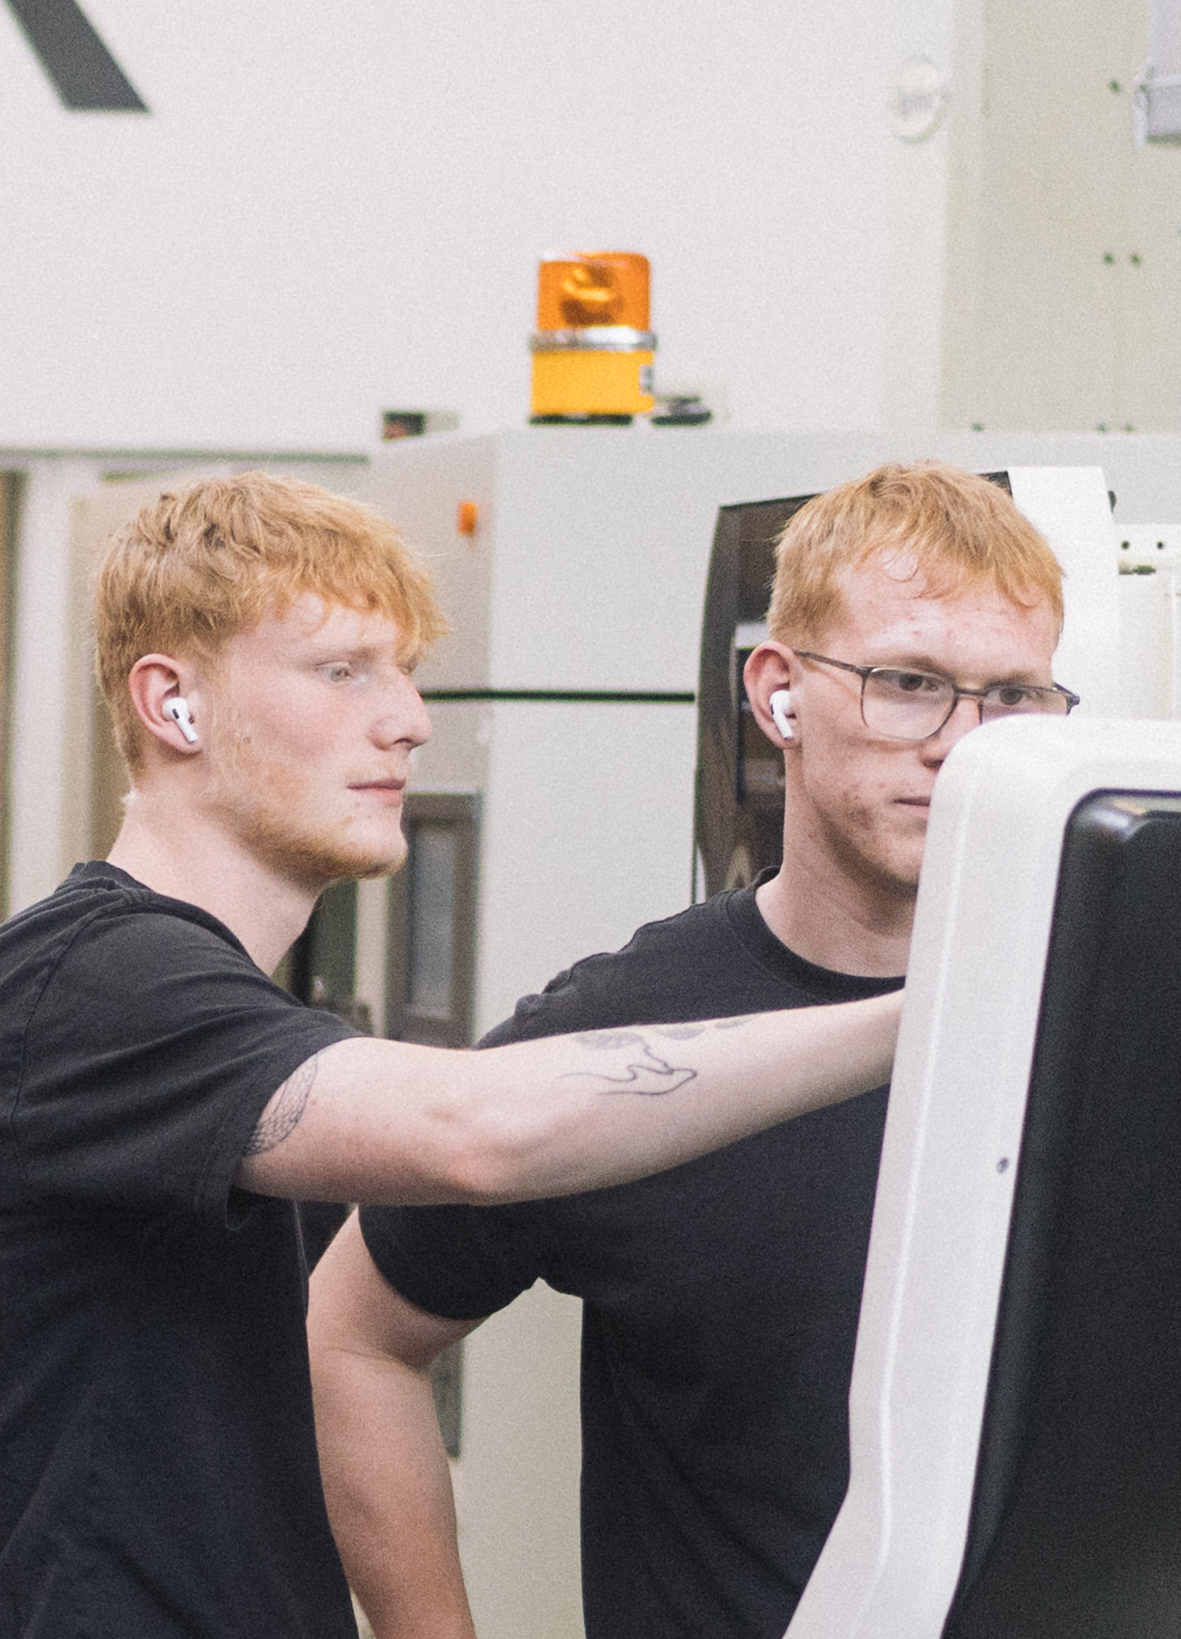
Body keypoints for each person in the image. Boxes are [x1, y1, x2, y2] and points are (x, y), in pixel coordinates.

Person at [0, 470, 903, 1639]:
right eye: (343, 671)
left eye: (404, 671)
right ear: (172, 703)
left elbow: (347, 1347)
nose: (408, 718)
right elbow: (477, 1133)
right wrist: (930, 1017)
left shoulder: (206, 1009)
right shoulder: (84, 984)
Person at [311, 459, 1069, 1639]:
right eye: (909, 683)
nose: (963, 741)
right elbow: (351, 1338)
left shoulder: (1113, 1017)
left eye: (1013, 696)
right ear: (779, 693)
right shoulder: (629, 1035)